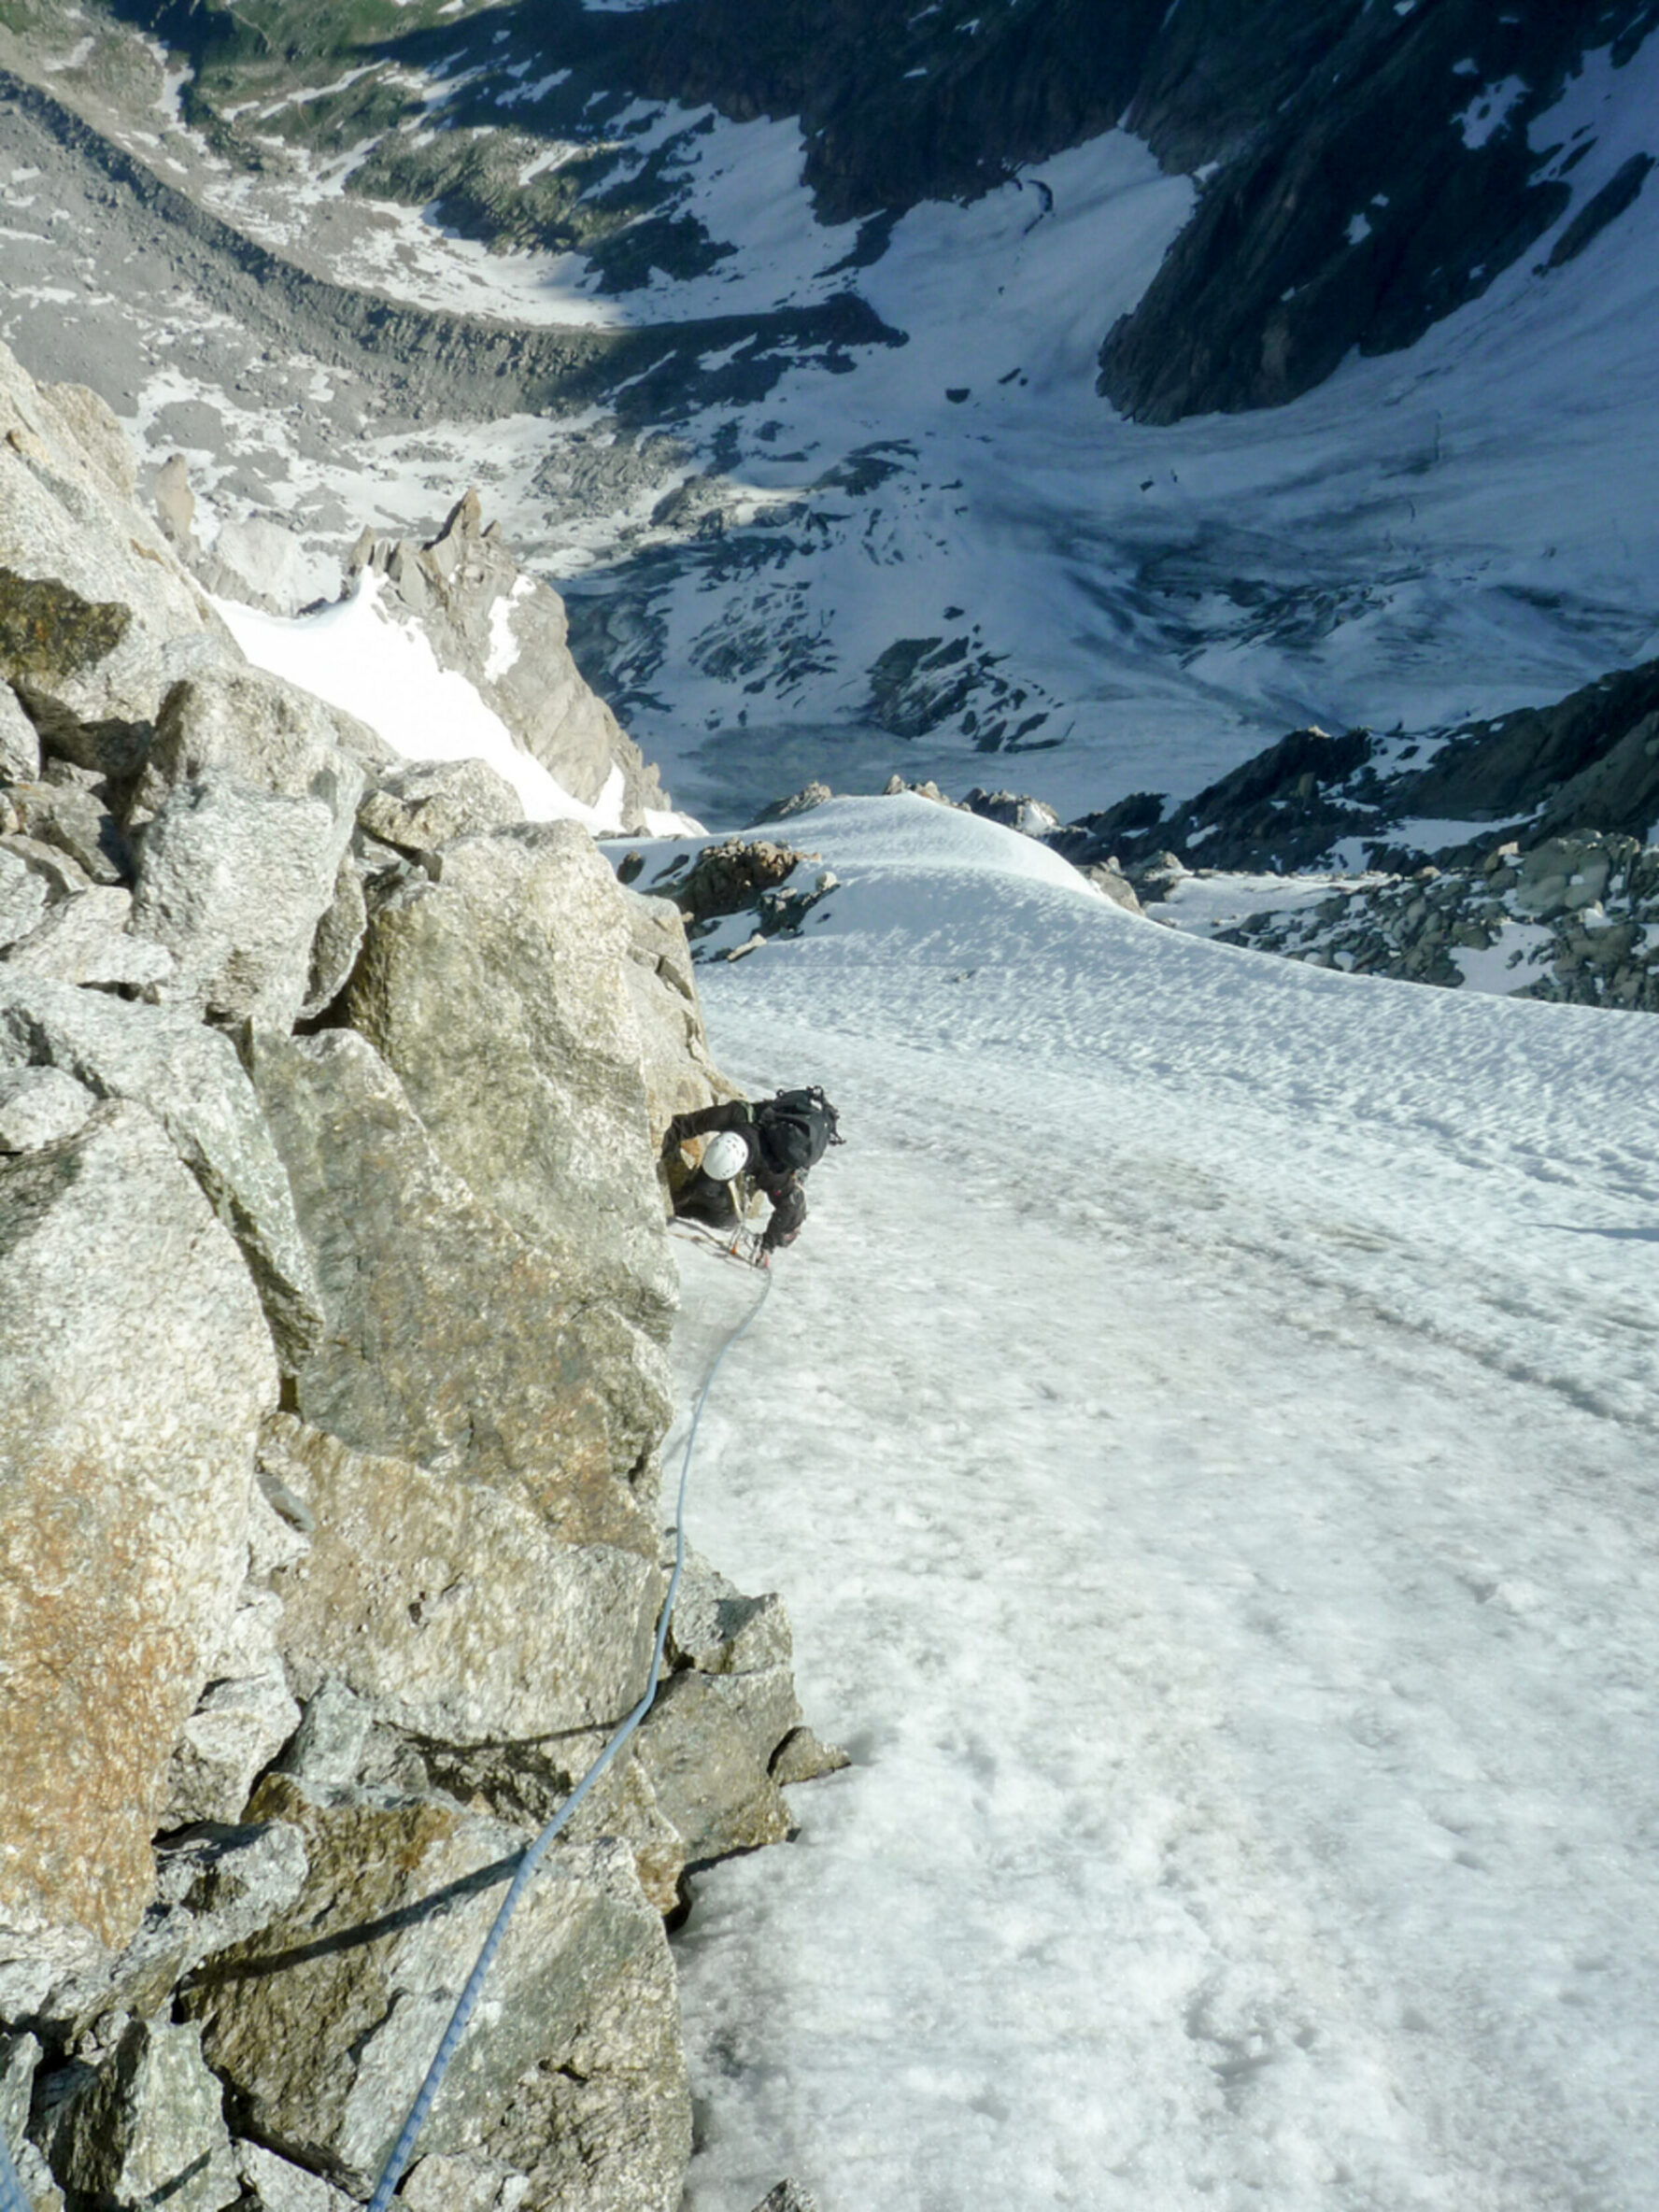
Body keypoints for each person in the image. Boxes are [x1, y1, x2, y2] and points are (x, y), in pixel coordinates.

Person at [663, 1086, 843, 1255]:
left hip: (785, 1150)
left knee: (724, 1215)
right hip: (766, 1134)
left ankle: (783, 1235)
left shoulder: (770, 1170)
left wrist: (768, 1244)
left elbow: (789, 1207)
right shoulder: (735, 1115)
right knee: (705, 1191)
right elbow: (684, 1126)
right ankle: (698, 1197)